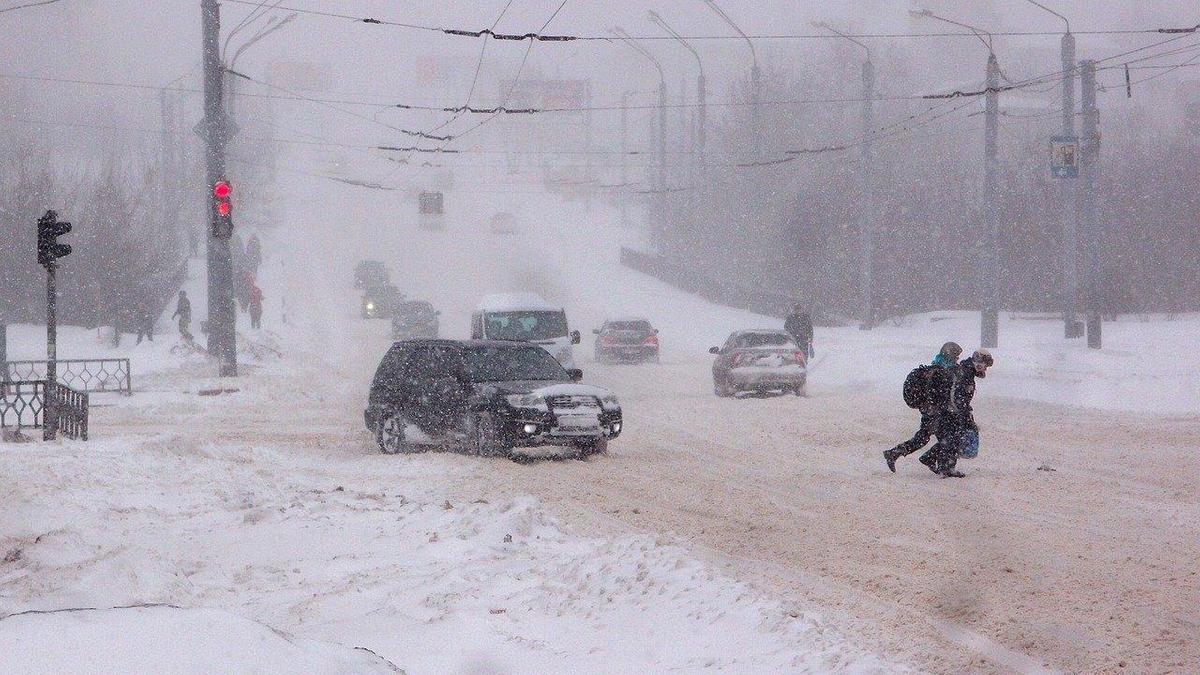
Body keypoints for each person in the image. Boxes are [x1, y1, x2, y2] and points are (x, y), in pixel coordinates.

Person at [885, 342, 961, 473]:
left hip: (930, 410)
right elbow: (939, 395)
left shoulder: (937, 367)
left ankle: (898, 454)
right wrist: (944, 409)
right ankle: (944, 466)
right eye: (956, 356)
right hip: (934, 411)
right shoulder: (940, 371)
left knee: (930, 438)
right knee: (943, 438)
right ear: (950, 355)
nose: (957, 359)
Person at [919, 348, 994, 478]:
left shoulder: (966, 370)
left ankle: (934, 460)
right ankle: (945, 467)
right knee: (954, 438)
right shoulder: (965, 372)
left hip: (949, 409)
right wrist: (963, 414)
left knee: (952, 438)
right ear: (978, 362)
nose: (985, 369)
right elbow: (957, 396)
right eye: (985, 366)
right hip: (949, 410)